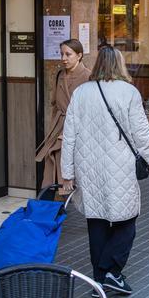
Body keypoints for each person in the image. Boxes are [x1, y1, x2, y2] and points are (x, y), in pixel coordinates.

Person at [60, 45, 149, 295]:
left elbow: (68, 136)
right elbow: (143, 137)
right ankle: (111, 272)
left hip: (87, 168)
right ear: (119, 64)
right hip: (119, 168)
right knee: (127, 220)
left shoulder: (81, 93)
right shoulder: (129, 93)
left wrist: (67, 173)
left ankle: (99, 280)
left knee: (97, 221)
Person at [35, 38, 90, 187]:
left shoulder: (88, 76)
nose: (63, 58)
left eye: (68, 54)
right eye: (62, 54)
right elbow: (55, 104)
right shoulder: (60, 75)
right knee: (54, 161)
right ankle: (55, 200)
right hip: (59, 125)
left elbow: (90, 111)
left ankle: (69, 199)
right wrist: (53, 126)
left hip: (77, 128)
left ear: (79, 55)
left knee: (70, 163)